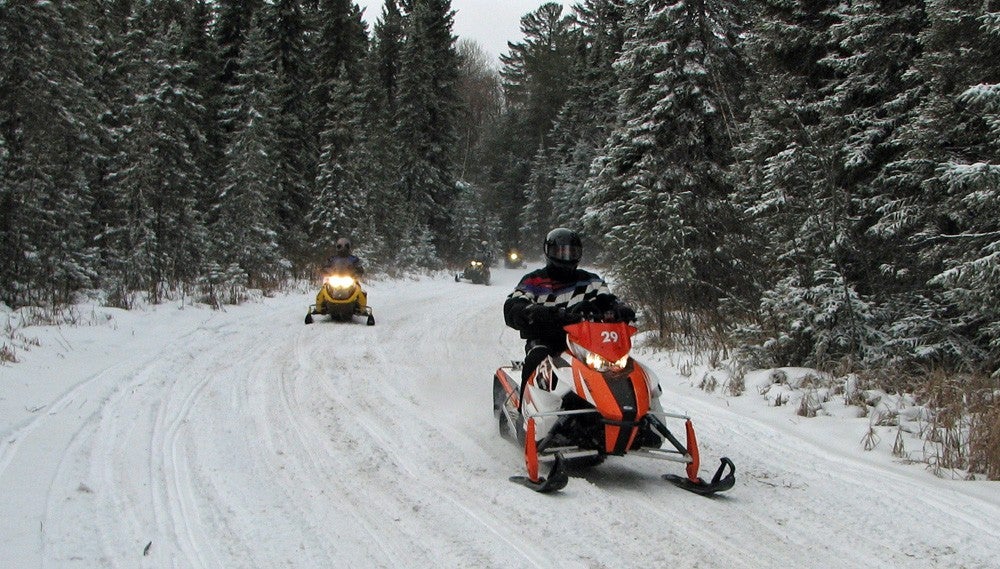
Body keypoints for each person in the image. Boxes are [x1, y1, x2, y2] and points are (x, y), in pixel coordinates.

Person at [503, 228, 636, 392]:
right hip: (548, 342)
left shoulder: (591, 281)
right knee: (537, 361)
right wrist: (530, 311)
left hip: (589, 345)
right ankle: (524, 408)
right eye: (560, 252)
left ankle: (642, 407)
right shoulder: (534, 281)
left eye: (571, 252)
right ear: (548, 252)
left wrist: (620, 309)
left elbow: (608, 299)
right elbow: (515, 303)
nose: (566, 257)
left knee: (628, 368)